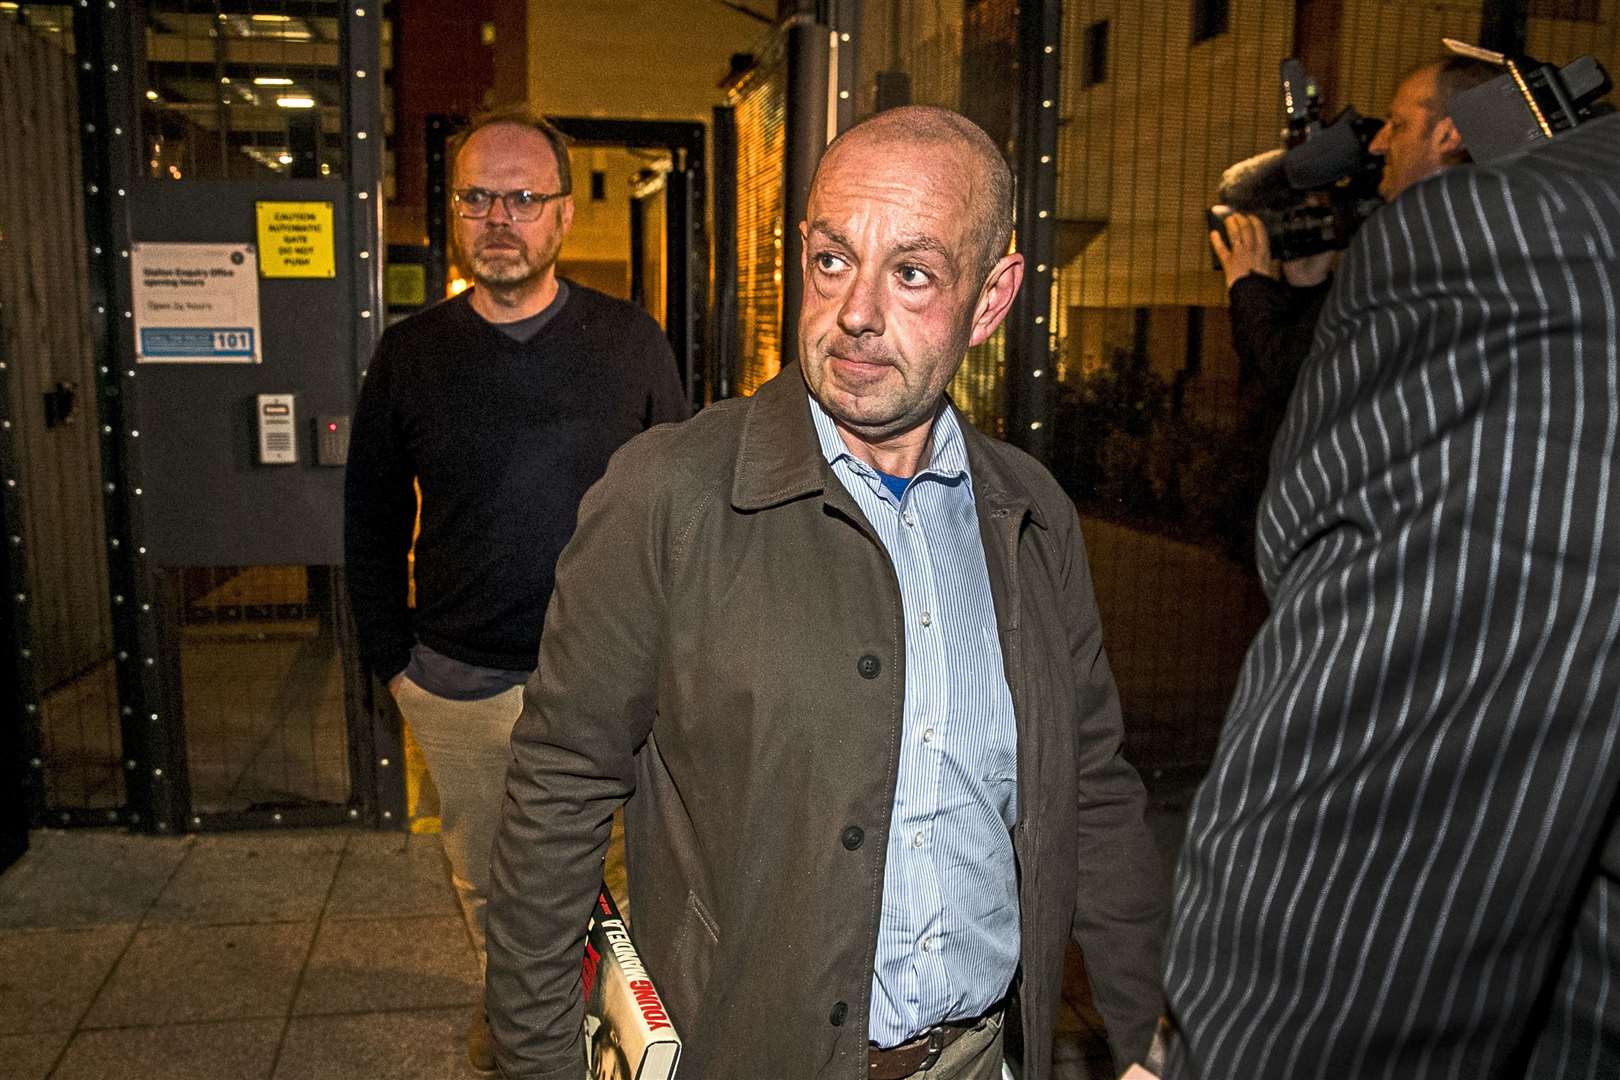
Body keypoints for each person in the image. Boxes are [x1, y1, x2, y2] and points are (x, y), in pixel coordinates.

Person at [486, 105, 1167, 1080]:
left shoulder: (1029, 516)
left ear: (992, 297)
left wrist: (1144, 1029)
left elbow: (1092, 786)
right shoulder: (670, 494)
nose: (857, 310)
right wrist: (538, 1064)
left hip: (984, 1058)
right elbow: (556, 786)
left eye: (915, 272)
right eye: (833, 259)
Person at [1153, 94, 1620, 1078]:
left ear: (1452, 133)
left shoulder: (1519, 244)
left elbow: (1386, 887)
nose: (1378, 147)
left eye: (1401, 126)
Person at [343, 108, 688, 1073]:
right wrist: (393, 663)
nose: (500, 217)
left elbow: (688, 512)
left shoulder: (631, 345)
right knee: (496, 886)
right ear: (454, 215)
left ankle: (606, 1037)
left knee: (614, 885)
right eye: (477, 197)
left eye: (523, 198)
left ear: (564, 216)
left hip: (613, 683)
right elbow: (369, 513)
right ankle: (524, 1041)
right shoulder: (411, 355)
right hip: (461, 682)